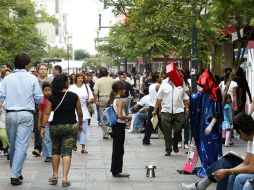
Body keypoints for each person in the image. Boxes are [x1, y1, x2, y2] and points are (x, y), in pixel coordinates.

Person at [0, 52, 43, 185]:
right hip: (26, 114)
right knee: (21, 145)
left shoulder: (6, 79)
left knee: (13, 145)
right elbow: (39, 98)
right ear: (27, 64)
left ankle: (16, 171)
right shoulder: (32, 79)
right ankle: (15, 174)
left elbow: (1, 97)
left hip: (10, 114)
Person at [182, 113, 254, 190]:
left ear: (241, 131)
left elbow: (251, 168)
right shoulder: (250, 139)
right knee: (226, 164)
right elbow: (246, 163)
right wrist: (228, 171)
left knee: (232, 172)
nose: (240, 137)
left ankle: (201, 185)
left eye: (238, 134)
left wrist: (228, 171)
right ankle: (201, 184)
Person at [40, 74, 83, 187]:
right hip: (70, 126)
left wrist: (43, 127)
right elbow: (79, 112)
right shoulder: (74, 96)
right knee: (67, 152)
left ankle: (55, 176)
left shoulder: (51, 97)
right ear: (66, 83)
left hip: (55, 127)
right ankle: (65, 178)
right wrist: (80, 124)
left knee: (55, 151)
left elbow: (47, 112)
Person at [190, 69, 223, 177]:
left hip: (210, 127)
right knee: (204, 148)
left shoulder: (215, 92)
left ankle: (213, 167)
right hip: (203, 125)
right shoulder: (203, 94)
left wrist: (211, 125)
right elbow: (195, 100)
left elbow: (216, 112)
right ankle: (206, 166)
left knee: (213, 147)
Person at [153, 73, 189, 156]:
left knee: (178, 129)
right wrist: (155, 110)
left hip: (179, 110)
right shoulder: (164, 84)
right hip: (166, 110)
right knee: (167, 131)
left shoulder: (181, 82)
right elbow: (159, 98)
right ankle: (168, 149)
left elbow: (185, 96)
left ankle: (175, 143)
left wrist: (187, 108)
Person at [110, 81, 132, 177]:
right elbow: (119, 115)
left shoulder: (115, 99)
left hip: (116, 126)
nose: (125, 91)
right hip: (119, 126)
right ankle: (117, 170)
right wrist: (128, 117)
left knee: (116, 148)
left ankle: (115, 169)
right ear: (120, 90)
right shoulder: (119, 101)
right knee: (119, 149)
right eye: (124, 89)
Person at [69, 73, 93, 153]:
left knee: (84, 129)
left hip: (84, 110)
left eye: (81, 78)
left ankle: (83, 147)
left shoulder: (86, 87)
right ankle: (74, 142)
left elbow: (91, 97)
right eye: (79, 78)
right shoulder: (71, 87)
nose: (80, 80)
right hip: (73, 111)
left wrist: (88, 100)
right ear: (76, 79)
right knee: (75, 129)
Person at [32, 64, 52, 157]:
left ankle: (48, 147)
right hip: (36, 106)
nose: (43, 71)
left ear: (47, 71)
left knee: (48, 128)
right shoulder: (33, 80)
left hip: (49, 107)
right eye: (41, 69)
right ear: (38, 70)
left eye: (45, 69)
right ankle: (37, 147)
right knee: (38, 127)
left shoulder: (51, 81)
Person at [94, 68, 115, 139]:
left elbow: (95, 92)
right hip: (111, 98)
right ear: (107, 73)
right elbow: (115, 89)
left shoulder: (98, 81)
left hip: (102, 98)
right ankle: (110, 129)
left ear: (100, 73)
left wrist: (95, 100)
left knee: (103, 116)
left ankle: (105, 133)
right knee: (111, 114)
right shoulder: (112, 80)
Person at [143, 73, 161, 145]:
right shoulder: (158, 86)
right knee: (162, 124)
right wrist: (159, 109)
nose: (161, 78)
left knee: (149, 124)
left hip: (151, 106)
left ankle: (146, 139)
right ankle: (169, 139)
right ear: (157, 78)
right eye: (159, 77)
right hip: (156, 106)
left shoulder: (150, 86)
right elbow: (159, 98)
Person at [38, 82, 52, 162]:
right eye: (45, 90)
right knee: (45, 138)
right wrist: (39, 122)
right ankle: (48, 155)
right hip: (44, 122)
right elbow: (40, 111)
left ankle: (53, 153)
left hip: (53, 122)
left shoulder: (53, 98)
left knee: (52, 138)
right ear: (42, 91)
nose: (47, 92)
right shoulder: (42, 99)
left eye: (49, 90)